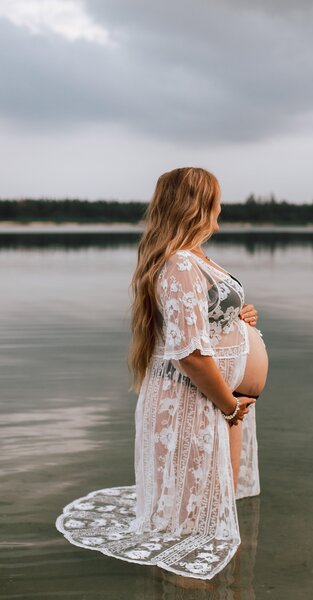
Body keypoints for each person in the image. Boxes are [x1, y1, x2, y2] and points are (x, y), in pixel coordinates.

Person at [55, 166, 263, 580]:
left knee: (212, 512)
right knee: (192, 528)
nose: (222, 204)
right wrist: (226, 406)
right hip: (201, 401)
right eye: (216, 197)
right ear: (199, 204)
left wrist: (239, 319)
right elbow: (189, 353)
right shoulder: (181, 264)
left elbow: (202, 321)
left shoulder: (196, 258)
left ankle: (215, 586)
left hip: (223, 400)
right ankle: (185, 587)